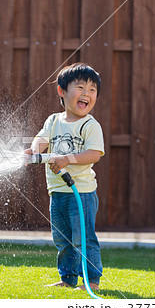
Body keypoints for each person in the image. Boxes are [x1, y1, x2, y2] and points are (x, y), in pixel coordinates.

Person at [24, 63, 104, 290]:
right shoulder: (53, 121)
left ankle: (92, 281)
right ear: (62, 91)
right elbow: (41, 139)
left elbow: (94, 154)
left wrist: (67, 159)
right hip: (57, 192)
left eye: (92, 90)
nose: (87, 94)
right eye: (80, 88)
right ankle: (68, 279)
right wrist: (35, 150)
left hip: (82, 193)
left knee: (84, 239)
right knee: (63, 240)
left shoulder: (90, 125)